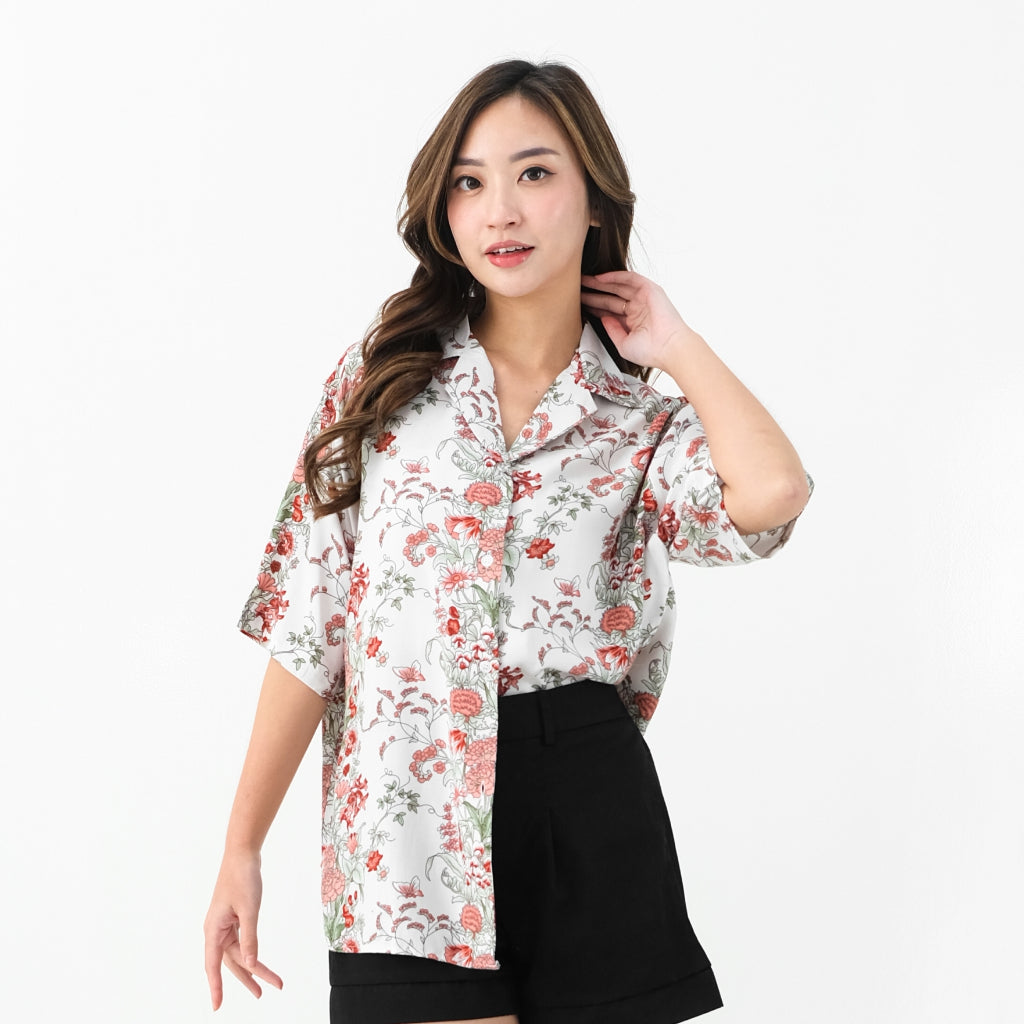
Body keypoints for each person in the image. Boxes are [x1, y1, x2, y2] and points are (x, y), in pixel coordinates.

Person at [204, 57, 813, 1024]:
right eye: (469, 182)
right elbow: (309, 622)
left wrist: (675, 344)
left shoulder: (637, 420)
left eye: (534, 173)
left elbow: (773, 495)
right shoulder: (383, 381)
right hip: (403, 820)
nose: (500, 212)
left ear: (594, 198)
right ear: (443, 210)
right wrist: (242, 848)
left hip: (586, 794)